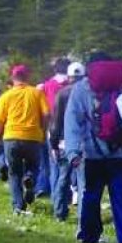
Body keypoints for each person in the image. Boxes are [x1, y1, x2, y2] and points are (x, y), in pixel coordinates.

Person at [65, 53, 122, 243]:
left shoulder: (83, 88)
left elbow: (72, 121)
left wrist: (72, 152)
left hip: (92, 156)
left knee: (90, 198)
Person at [0, 65, 50, 213]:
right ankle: (30, 178)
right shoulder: (37, 93)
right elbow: (47, 114)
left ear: (12, 78)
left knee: (14, 173)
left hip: (11, 138)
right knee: (34, 166)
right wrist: (43, 130)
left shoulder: (5, 96)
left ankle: (18, 205)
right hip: (33, 137)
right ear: (27, 77)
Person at [49, 62, 86, 221]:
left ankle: (59, 212)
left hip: (65, 141)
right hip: (84, 142)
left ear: (69, 77)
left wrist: (53, 144)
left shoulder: (62, 93)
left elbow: (55, 122)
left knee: (63, 178)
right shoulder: (87, 93)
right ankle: (83, 216)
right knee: (83, 182)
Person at [36, 58, 71, 197]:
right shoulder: (73, 84)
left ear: (55, 69)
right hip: (70, 127)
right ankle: (68, 192)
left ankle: (51, 190)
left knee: (52, 162)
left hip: (52, 125)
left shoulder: (47, 85)